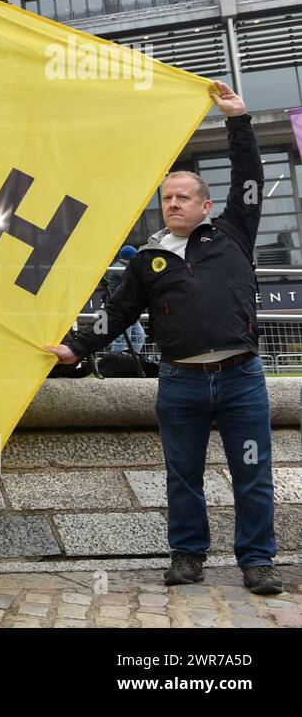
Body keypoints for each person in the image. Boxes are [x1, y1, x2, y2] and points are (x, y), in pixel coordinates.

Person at [45, 81, 281, 595]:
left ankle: (258, 561)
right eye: (167, 198)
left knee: (253, 476)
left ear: (206, 205)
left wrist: (238, 120)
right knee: (184, 477)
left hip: (242, 380)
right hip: (181, 385)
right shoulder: (149, 259)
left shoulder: (235, 231)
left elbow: (250, 177)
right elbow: (119, 312)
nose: (172, 204)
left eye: (182, 197)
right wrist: (76, 350)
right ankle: (188, 556)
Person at [105, 245, 146, 354]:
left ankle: (130, 359)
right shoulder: (122, 269)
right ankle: (117, 362)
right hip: (121, 308)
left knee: (138, 335)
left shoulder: (120, 267)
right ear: (131, 257)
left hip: (126, 308)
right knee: (123, 338)